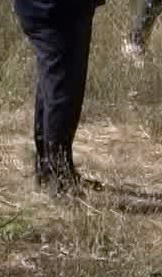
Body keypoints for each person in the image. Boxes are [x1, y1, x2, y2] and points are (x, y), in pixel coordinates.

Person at [13, 0, 103, 194]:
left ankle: (50, 168)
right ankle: (58, 178)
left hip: (47, 10)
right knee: (62, 92)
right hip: (55, 11)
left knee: (54, 84)